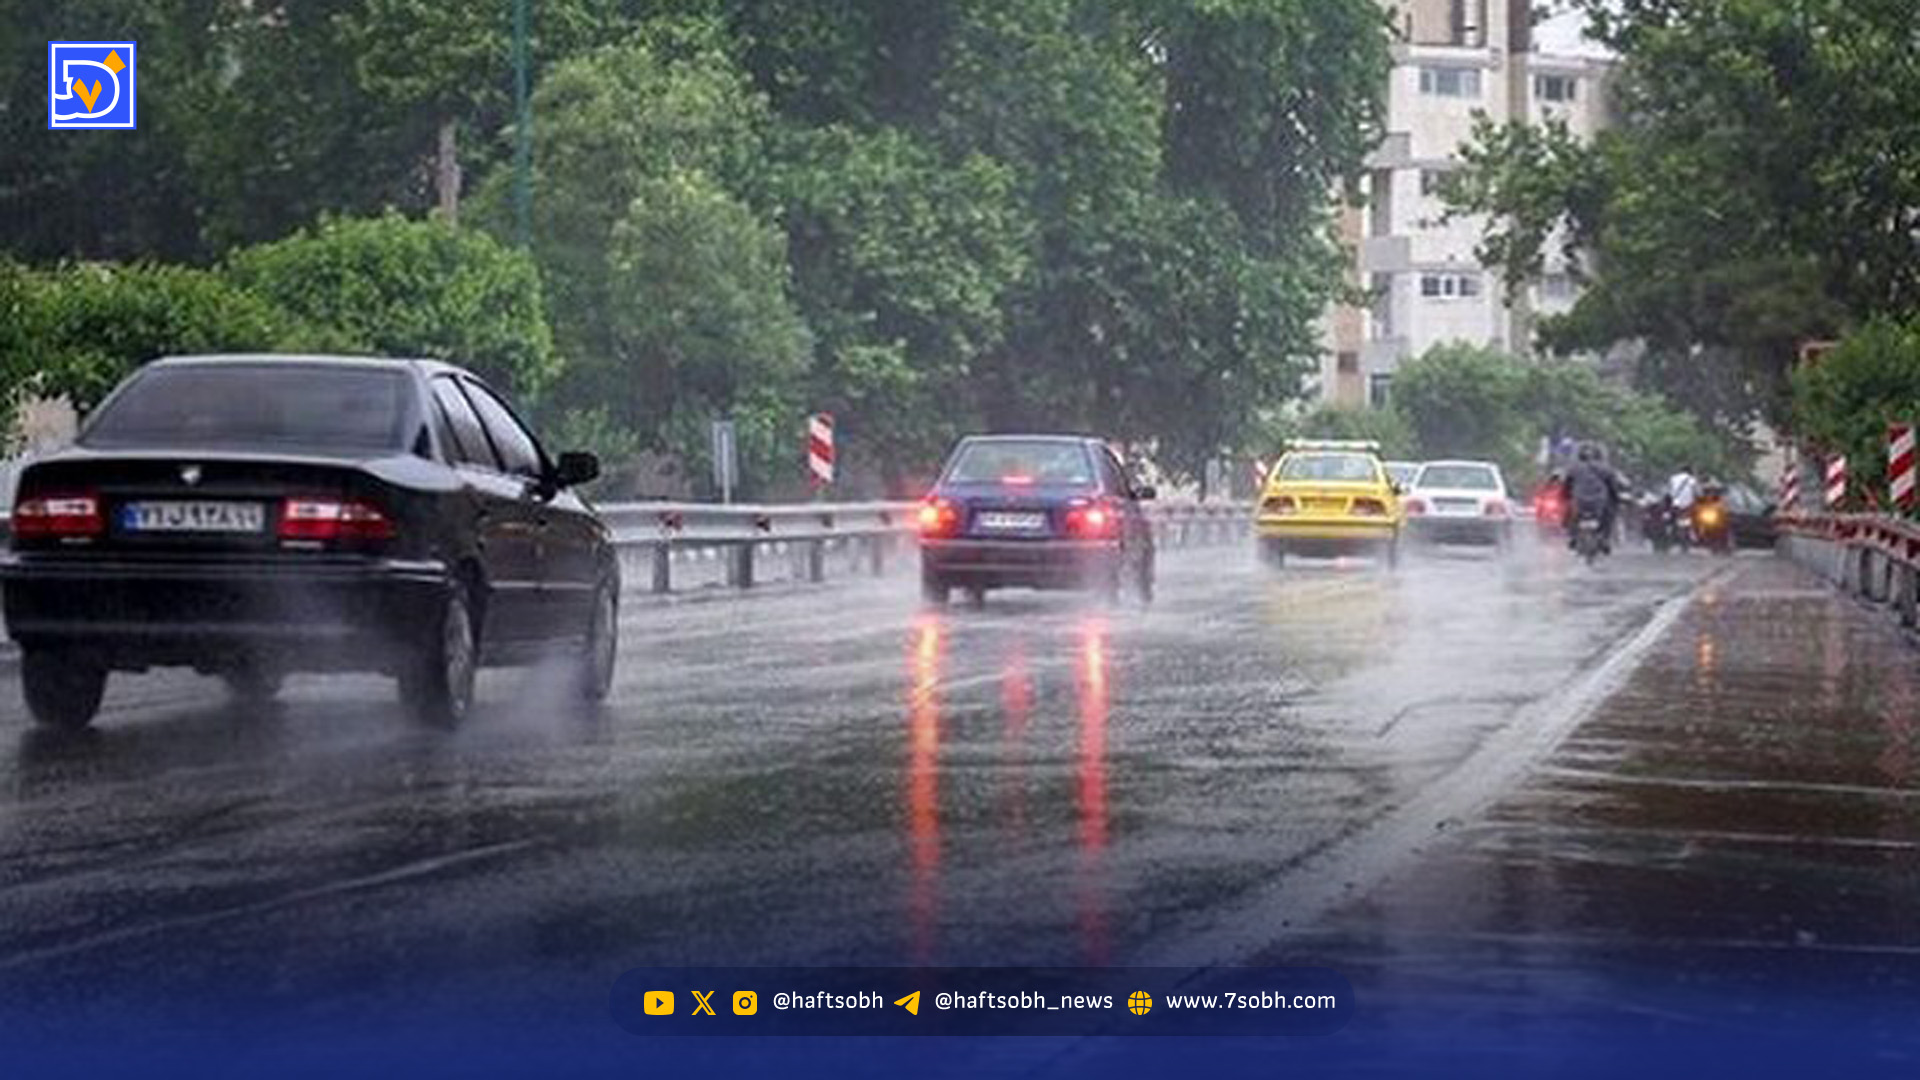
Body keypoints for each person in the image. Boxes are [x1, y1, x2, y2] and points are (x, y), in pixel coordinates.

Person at [1560, 443, 1625, 551]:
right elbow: (1613, 488)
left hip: (1579, 502)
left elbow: (1566, 487)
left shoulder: (1573, 469)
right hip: (1599, 503)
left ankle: (1572, 537)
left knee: (1568, 513)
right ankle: (1605, 539)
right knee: (1610, 515)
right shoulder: (1606, 469)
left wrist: (1564, 497)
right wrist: (1616, 499)